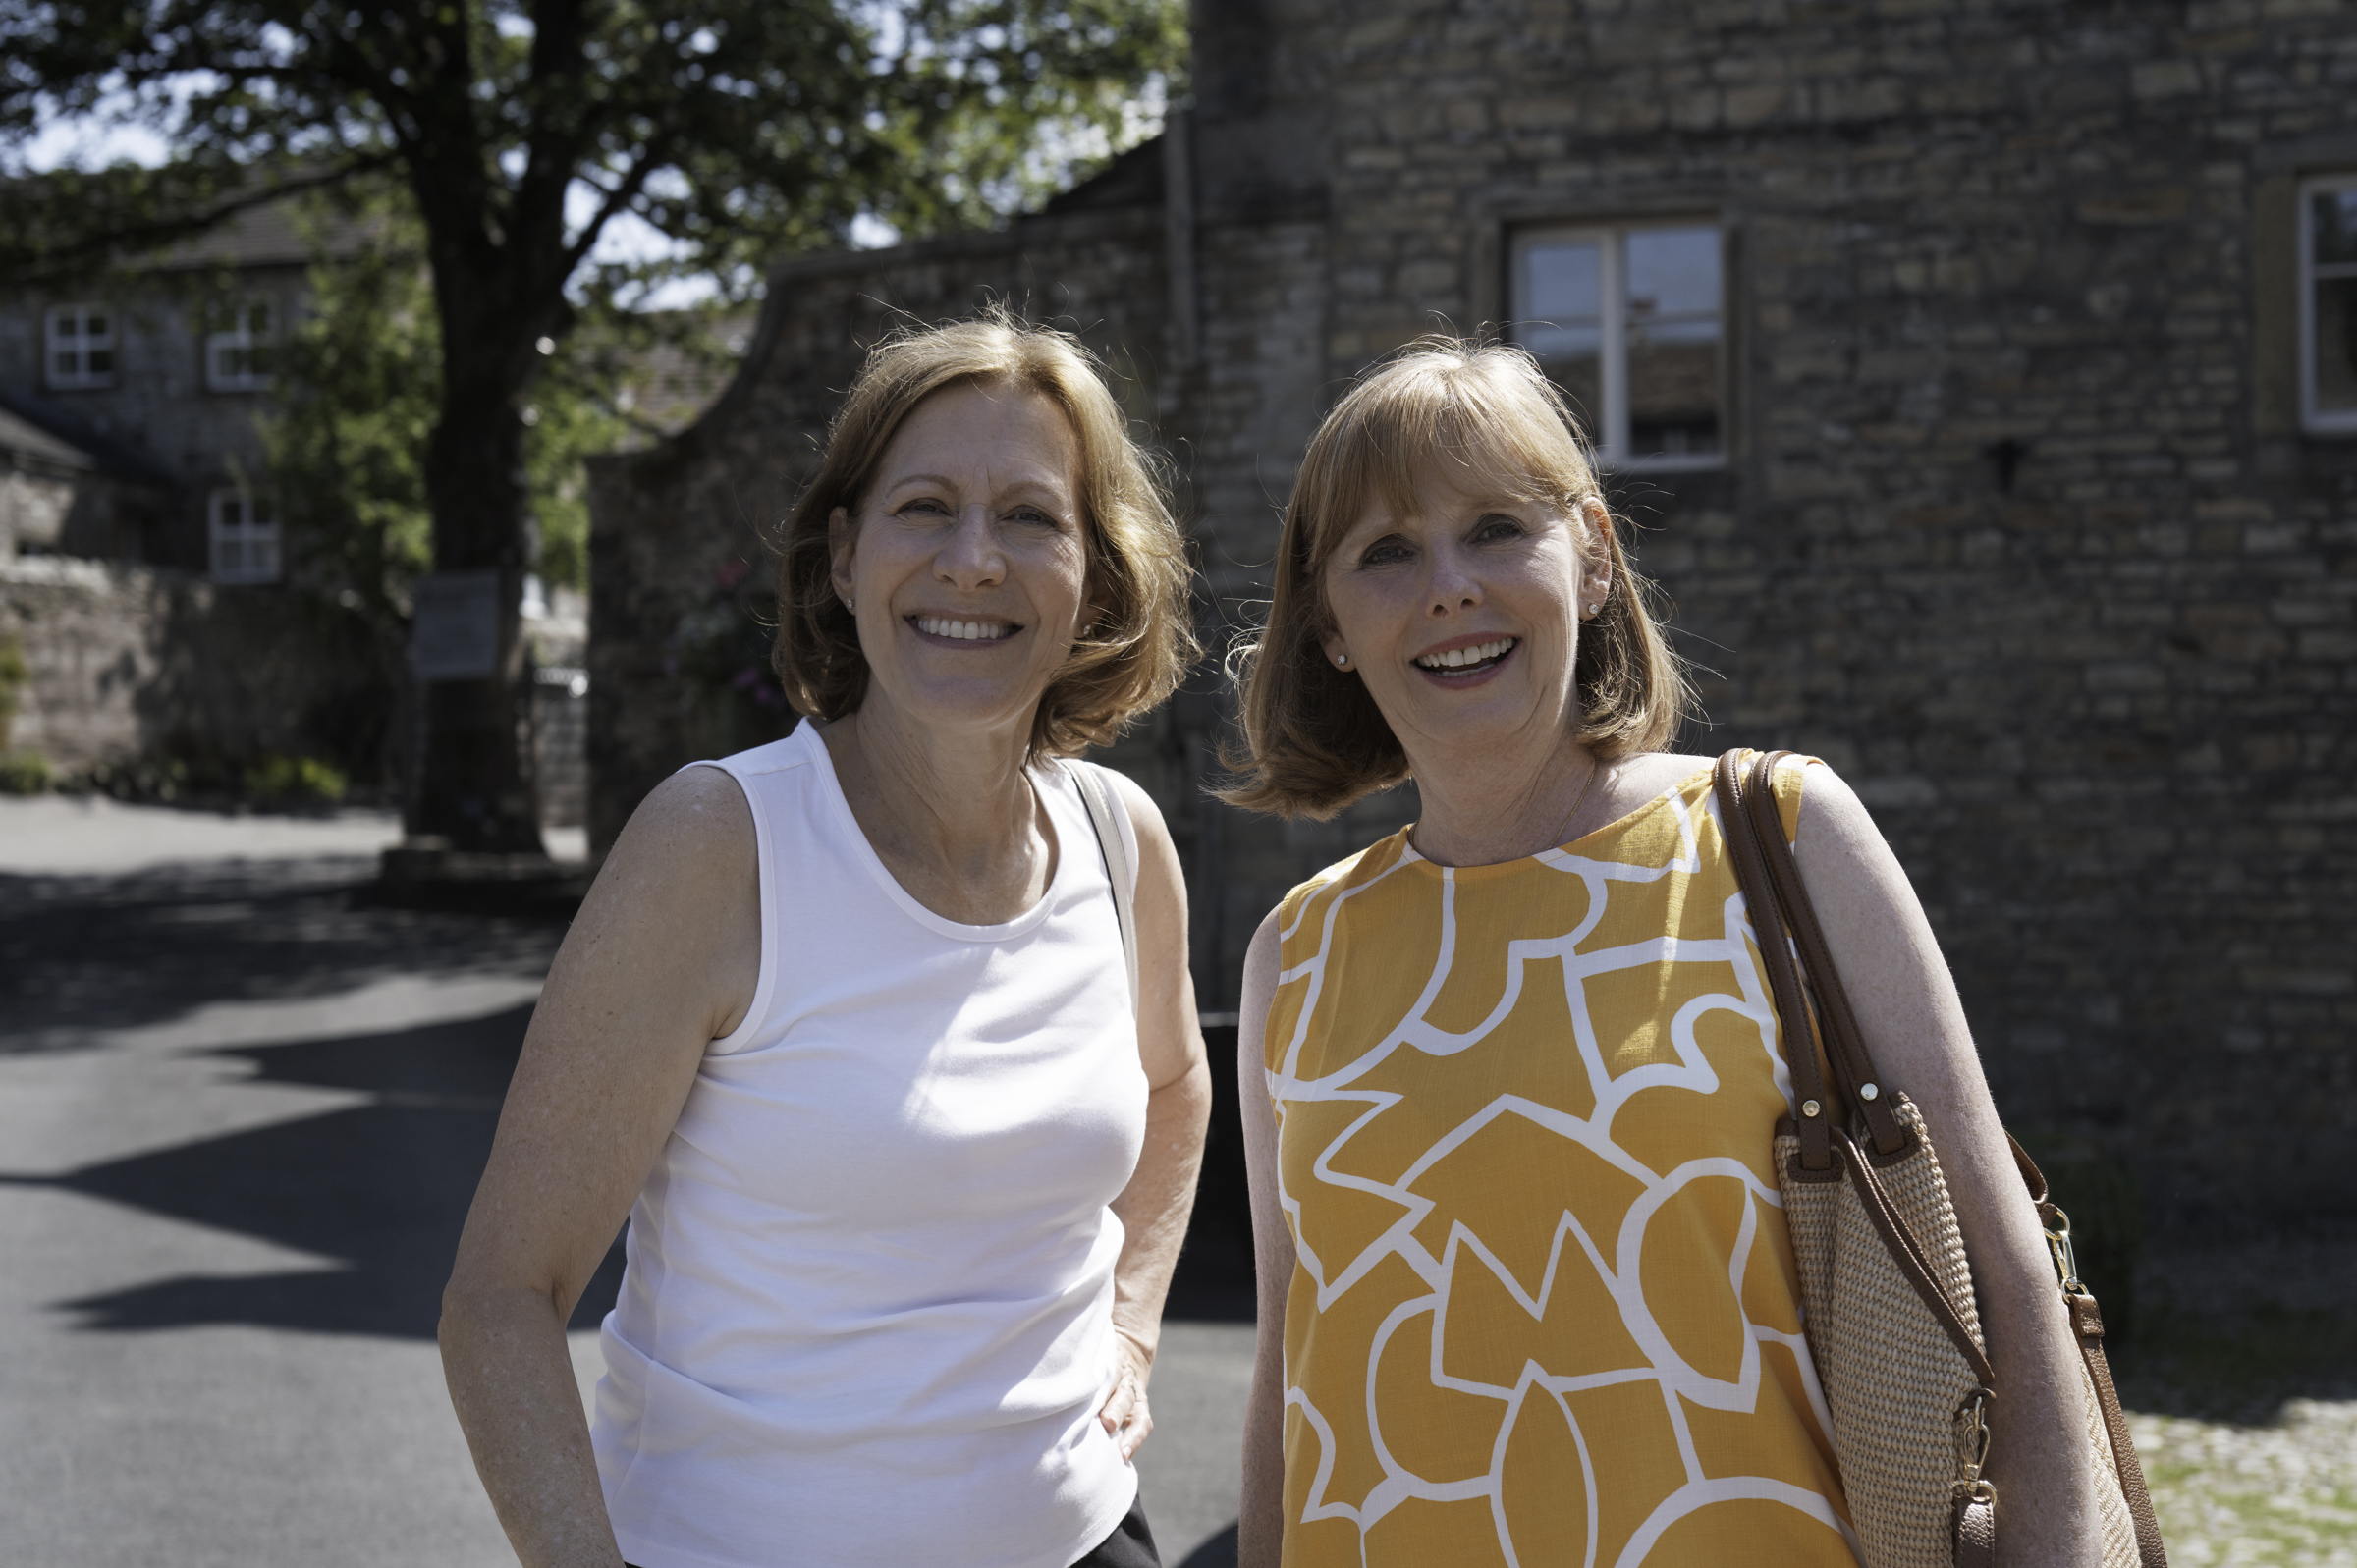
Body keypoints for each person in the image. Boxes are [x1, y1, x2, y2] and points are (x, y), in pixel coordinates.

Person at [1221, 339, 2107, 1565]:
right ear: (1328, 622)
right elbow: (1288, 1369)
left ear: (1592, 557)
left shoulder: (1781, 836)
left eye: (1494, 528)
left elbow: (2006, 1277)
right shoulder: (1297, 953)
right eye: (1386, 551)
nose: (1449, 587)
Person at [440, 314, 1211, 1568]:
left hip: (1076, 1533)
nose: (973, 560)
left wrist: (1129, 1324)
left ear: (1096, 577)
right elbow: (500, 1300)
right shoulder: (720, 845)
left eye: (1029, 516)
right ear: (846, 558)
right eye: (925, 508)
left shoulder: (1121, 840)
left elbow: (1174, 1085)